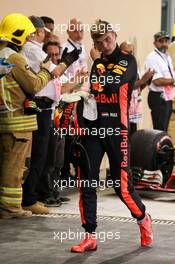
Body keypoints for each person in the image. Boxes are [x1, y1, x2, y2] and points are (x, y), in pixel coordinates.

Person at [70, 19, 153, 253]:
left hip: (118, 131)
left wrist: (98, 64)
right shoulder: (97, 63)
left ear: (114, 35)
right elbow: (96, 89)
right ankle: (90, 236)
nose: (105, 45)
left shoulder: (128, 60)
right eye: (99, 42)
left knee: (122, 188)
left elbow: (111, 84)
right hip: (94, 130)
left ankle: (143, 219)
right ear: (94, 42)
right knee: (87, 182)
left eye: (107, 39)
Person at [21, 16, 81, 214]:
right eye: (43, 33)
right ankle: (30, 197)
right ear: (38, 32)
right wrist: (65, 61)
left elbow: (56, 77)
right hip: (40, 107)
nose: (43, 35)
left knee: (45, 155)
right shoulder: (32, 48)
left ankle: (34, 194)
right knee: (39, 155)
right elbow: (54, 72)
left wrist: (69, 69)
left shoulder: (33, 49)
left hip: (47, 108)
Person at [0, 13, 53, 219]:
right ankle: (11, 209)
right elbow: (33, 84)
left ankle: (7, 206)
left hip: (6, 120)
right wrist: (46, 71)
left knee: (6, 165)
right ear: (19, 36)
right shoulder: (13, 57)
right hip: (18, 123)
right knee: (14, 168)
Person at [120, 41, 155, 135]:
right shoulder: (118, 66)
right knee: (125, 137)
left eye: (131, 52)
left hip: (134, 108)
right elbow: (127, 87)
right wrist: (143, 79)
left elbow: (139, 87)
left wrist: (147, 80)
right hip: (124, 108)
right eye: (127, 52)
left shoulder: (133, 65)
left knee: (133, 136)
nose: (130, 54)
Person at [145, 31, 175, 131]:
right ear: (154, 43)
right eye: (161, 41)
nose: (164, 44)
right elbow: (157, 81)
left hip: (167, 95)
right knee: (160, 129)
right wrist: (173, 81)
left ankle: (164, 146)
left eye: (166, 41)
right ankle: (159, 147)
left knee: (165, 129)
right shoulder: (152, 58)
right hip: (158, 97)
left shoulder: (166, 56)